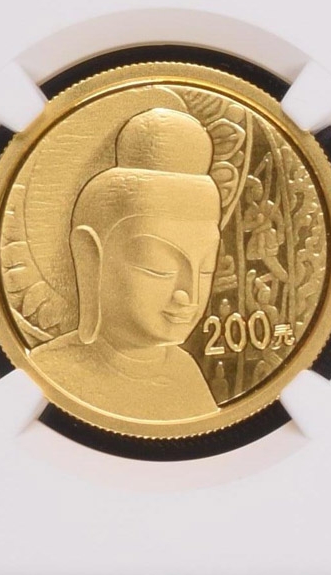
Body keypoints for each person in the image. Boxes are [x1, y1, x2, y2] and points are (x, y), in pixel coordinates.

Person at [32, 107, 221, 420]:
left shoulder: (186, 373)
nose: (189, 295)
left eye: (206, 269)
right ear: (90, 257)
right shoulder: (50, 374)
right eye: (158, 268)